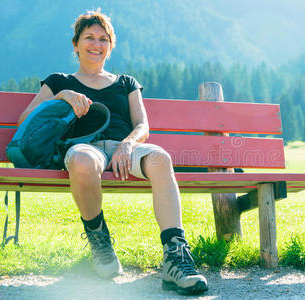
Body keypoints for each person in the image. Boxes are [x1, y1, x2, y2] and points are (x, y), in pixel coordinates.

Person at [18, 9, 208, 295]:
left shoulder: (126, 82)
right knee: (82, 160)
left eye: (103, 39)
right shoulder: (59, 81)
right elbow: (25, 121)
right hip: (85, 147)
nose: (96, 44)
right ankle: (99, 240)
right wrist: (60, 97)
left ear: (110, 45)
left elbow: (142, 124)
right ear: (76, 44)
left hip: (125, 147)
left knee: (160, 159)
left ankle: (175, 258)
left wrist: (128, 144)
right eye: (89, 37)